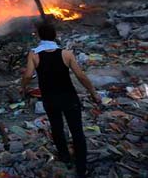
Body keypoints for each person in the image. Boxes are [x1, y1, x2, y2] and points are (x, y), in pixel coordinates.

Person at [20, 23, 101, 178]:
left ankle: (65, 158)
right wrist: (93, 92)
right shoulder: (66, 54)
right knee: (77, 131)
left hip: (50, 98)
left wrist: (22, 87)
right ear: (55, 35)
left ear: (38, 36)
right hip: (69, 97)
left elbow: (28, 75)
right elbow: (81, 76)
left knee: (57, 128)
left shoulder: (34, 54)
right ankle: (81, 167)